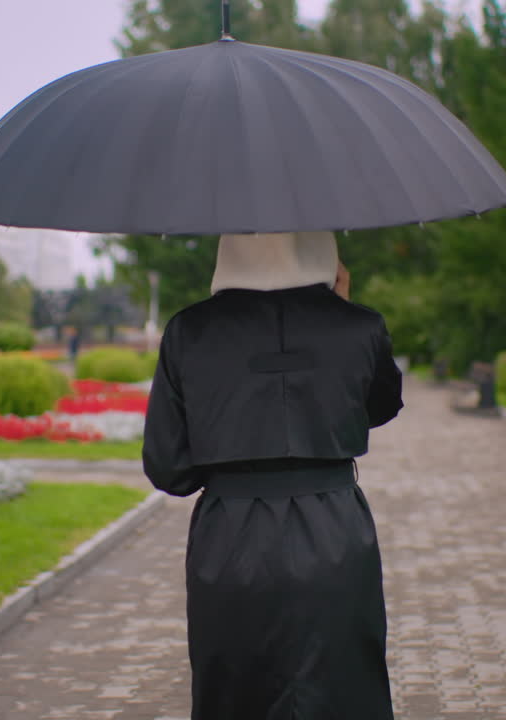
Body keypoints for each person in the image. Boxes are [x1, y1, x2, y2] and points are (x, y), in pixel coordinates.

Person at [143, 230, 403, 720]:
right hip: (335, 533)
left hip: (229, 538)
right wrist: (339, 309)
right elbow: (380, 406)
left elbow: (168, 468)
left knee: (235, 696)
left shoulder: (188, 331)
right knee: (343, 691)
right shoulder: (359, 327)